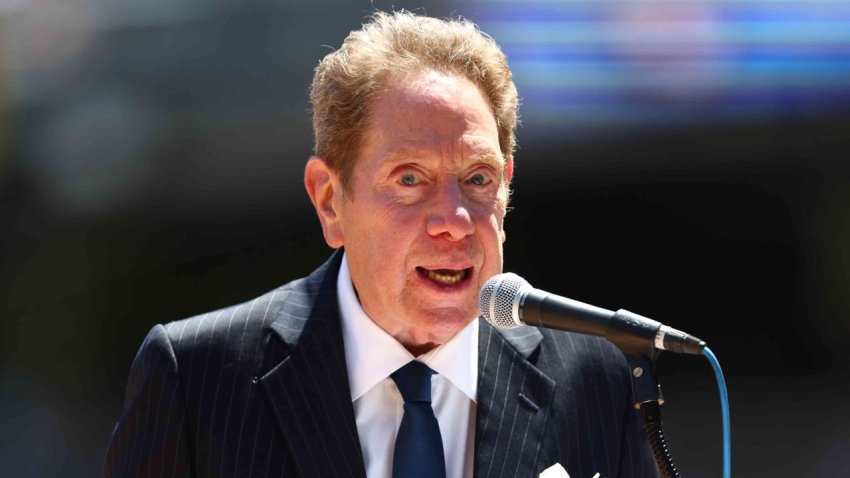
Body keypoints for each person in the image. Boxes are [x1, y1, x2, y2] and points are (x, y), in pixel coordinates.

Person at [103, 10, 659, 478]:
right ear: (329, 200)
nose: (456, 220)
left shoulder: (596, 377)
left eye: (479, 178)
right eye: (410, 179)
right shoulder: (196, 376)